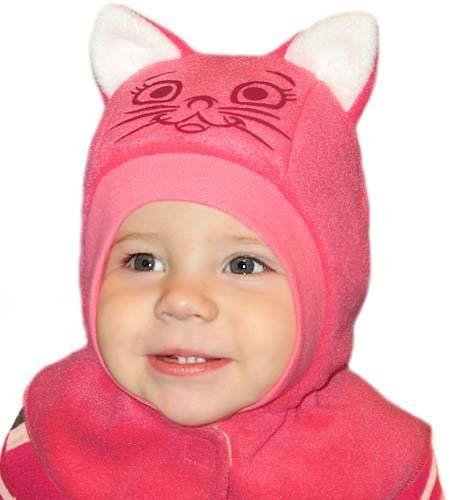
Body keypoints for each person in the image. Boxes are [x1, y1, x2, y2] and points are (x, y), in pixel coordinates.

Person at [0, 4, 444, 499]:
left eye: (243, 265)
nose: (181, 299)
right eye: (144, 262)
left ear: (329, 291)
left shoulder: (386, 469)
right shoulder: (47, 437)